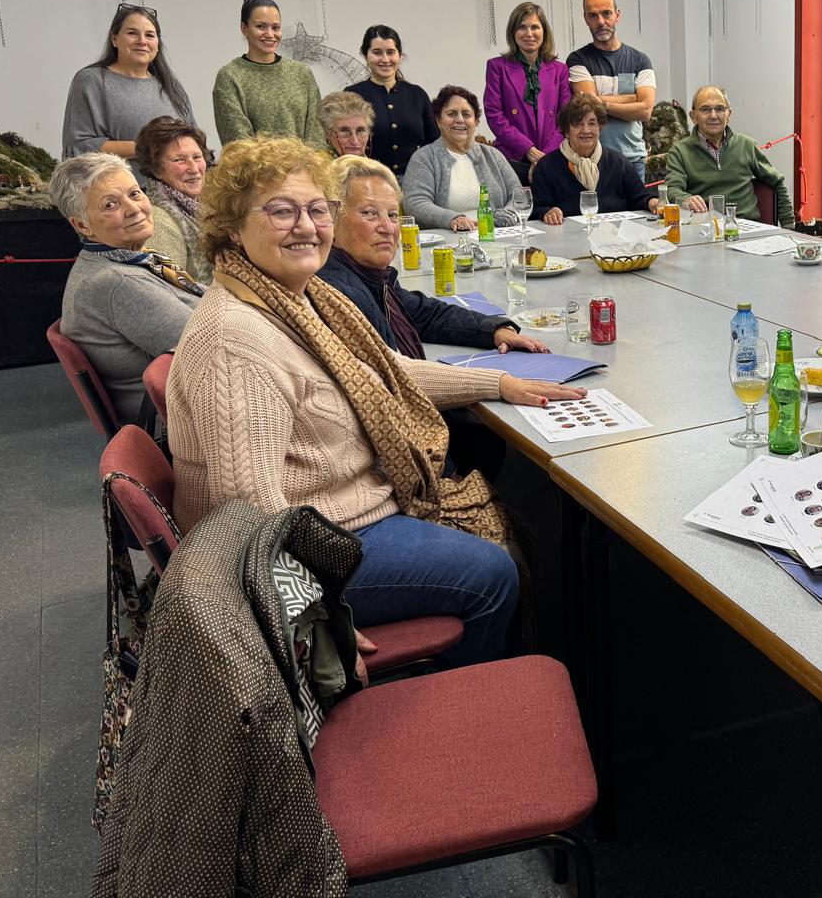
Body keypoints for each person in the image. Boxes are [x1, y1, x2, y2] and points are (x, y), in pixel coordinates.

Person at [166, 136, 583, 667]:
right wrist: (310, 613)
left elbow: (387, 371)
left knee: (505, 530)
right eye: (281, 211)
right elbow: (244, 510)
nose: (306, 225)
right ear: (231, 227)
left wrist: (498, 384)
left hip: (343, 511)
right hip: (324, 541)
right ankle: (465, 706)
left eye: (317, 209)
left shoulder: (296, 296)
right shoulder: (236, 341)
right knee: (494, 573)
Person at [319, 155, 546, 358]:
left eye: (391, 214)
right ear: (331, 217)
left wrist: (494, 330)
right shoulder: (341, 295)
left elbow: (425, 314)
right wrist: (499, 384)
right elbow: (394, 378)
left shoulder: (368, 278)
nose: (387, 227)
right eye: (369, 213)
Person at [50, 152, 203, 425]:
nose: (134, 209)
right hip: (188, 423)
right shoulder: (116, 283)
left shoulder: (127, 259)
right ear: (82, 225)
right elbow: (211, 345)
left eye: (134, 194)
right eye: (110, 204)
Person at [62, 4, 195, 164]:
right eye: (132, 33)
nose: (142, 41)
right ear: (114, 38)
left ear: (158, 44)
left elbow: (193, 139)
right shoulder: (91, 81)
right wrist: (149, 148)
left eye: (150, 35)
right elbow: (78, 146)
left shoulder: (170, 86)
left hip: (173, 188)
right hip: (117, 187)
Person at [664, 85, 794, 229]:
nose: (714, 115)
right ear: (693, 116)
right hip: (705, 231)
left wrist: (789, 227)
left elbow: (778, 183)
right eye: (705, 109)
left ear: (729, 114)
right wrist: (685, 199)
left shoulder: (747, 145)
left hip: (747, 230)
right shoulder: (680, 151)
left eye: (720, 109)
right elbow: (671, 189)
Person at [212, 0, 325, 147]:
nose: (270, 34)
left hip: (304, 170)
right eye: (261, 26)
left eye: (276, 27)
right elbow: (238, 143)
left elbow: (316, 131)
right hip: (257, 170)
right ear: (244, 29)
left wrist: (305, 168)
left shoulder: (301, 73)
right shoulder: (230, 76)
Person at [402, 85, 521, 232]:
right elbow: (415, 204)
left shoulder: (493, 155)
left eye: (466, 114)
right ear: (438, 120)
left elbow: (518, 195)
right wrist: (452, 219)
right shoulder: (424, 158)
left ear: (476, 121)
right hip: (448, 242)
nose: (460, 120)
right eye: (451, 114)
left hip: (497, 236)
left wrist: (506, 214)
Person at [566, 0, 655, 181]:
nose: (600, 22)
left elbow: (645, 111)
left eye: (606, 13)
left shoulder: (640, 60)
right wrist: (632, 98)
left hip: (633, 160)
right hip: (594, 161)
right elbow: (589, 107)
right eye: (593, 15)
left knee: (638, 212)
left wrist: (601, 102)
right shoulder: (578, 60)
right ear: (585, 19)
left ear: (617, 15)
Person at [531, 94, 658, 224]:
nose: (586, 130)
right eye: (578, 124)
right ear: (567, 131)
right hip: (566, 240)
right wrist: (546, 212)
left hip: (612, 239)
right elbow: (536, 208)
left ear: (600, 127)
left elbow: (640, 198)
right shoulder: (546, 167)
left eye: (592, 123)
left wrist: (651, 202)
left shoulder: (619, 163)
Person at [482, 1, 570, 182]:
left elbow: (566, 118)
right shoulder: (497, 67)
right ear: (513, 33)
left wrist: (544, 158)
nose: (529, 33)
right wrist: (527, 150)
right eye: (522, 27)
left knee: (553, 210)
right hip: (512, 158)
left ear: (544, 32)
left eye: (535, 27)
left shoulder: (560, 70)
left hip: (552, 156)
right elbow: (494, 114)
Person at [347, 24, 437, 175]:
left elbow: (434, 143)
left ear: (400, 56)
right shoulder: (352, 95)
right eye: (377, 52)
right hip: (370, 181)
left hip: (417, 181)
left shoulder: (417, 95)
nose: (385, 59)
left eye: (391, 52)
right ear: (365, 55)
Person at [136, 115, 215, 284]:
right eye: (180, 160)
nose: (193, 169)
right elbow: (170, 291)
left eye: (197, 157)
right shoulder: (158, 222)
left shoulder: (210, 205)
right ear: (156, 170)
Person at [318, 90, 376, 157]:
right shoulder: (313, 166)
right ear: (327, 134)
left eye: (360, 131)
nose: (355, 141)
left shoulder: (376, 167)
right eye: (345, 132)